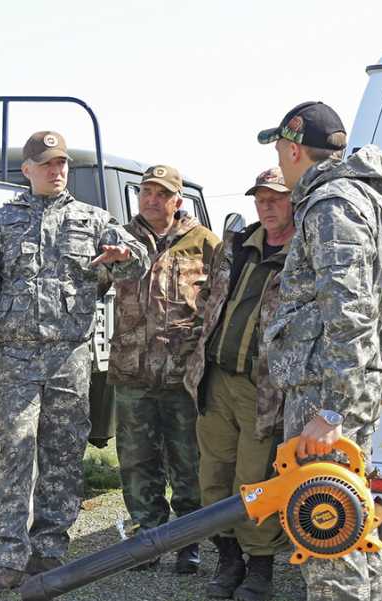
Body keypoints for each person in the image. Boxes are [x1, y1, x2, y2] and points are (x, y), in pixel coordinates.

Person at [0, 131, 149, 594]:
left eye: (61, 163)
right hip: (19, 358)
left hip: (70, 354)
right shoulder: (1, 222)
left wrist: (124, 257)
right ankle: (8, 556)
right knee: (15, 451)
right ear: (27, 169)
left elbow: (138, 262)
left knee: (63, 452)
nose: (56, 170)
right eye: (46, 164)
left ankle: (49, 551)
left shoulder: (93, 219)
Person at [259, 101, 382, 601]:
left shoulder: (332, 206)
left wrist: (331, 411)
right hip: (346, 388)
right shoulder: (368, 202)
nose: (280, 161)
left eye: (281, 150)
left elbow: (349, 312)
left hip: (325, 396)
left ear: (294, 147)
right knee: (354, 526)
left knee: (324, 528)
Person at [184, 167, 294, 601]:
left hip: (262, 389)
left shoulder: (304, 252)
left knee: (256, 482)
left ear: (294, 200)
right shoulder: (238, 246)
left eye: (275, 198)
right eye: (260, 199)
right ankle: (228, 560)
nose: (266, 206)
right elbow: (211, 300)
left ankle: (260, 570)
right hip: (215, 379)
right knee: (214, 477)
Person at [108, 164, 220, 574]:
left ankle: (187, 544)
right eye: (145, 192)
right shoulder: (122, 238)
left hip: (182, 376)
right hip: (131, 372)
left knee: (187, 462)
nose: (151, 199)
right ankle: (146, 541)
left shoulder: (205, 243)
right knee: (137, 463)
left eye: (161, 193)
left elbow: (220, 306)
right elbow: (91, 282)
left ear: (178, 200)